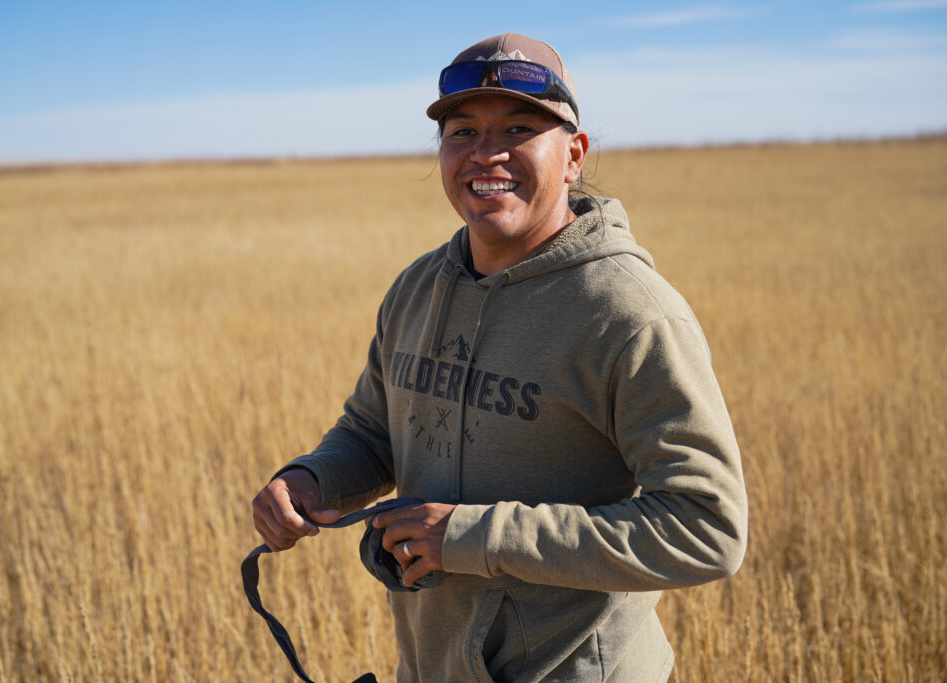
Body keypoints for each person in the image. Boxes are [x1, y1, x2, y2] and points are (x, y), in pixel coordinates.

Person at [252, 32, 747, 682]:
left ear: (573, 155)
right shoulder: (417, 288)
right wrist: (312, 479)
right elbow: (376, 432)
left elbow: (706, 525)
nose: (486, 153)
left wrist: (471, 537)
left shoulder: (628, 313)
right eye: (461, 131)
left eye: (518, 127)